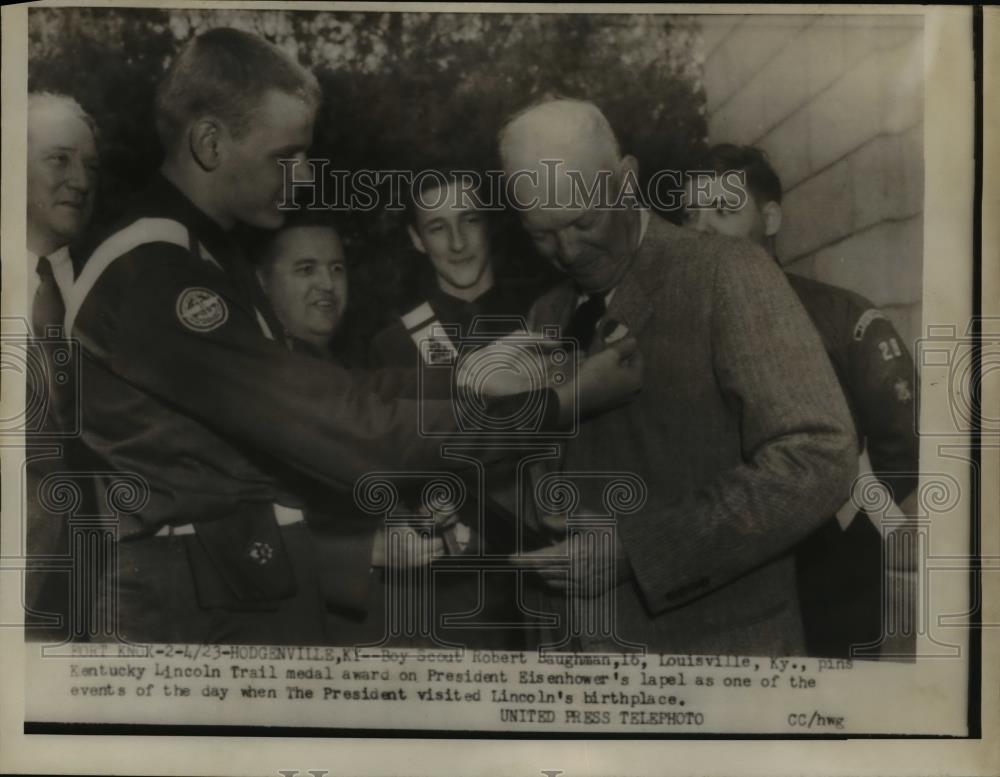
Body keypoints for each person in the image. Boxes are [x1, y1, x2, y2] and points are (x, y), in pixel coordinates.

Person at [66, 30, 641, 645]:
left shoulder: (202, 253)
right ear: (210, 142)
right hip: (187, 607)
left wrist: (471, 376)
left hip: (227, 587)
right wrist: (559, 404)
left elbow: (337, 386)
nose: (304, 173)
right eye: (285, 155)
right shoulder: (157, 269)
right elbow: (351, 426)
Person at [500, 98, 857, 655]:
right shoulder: (545, 313)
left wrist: (639, 550)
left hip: (710, 668)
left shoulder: (727, 272)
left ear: (626, 178)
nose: (567, 251)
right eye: (541, 233)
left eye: (584, 221)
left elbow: (820, 454)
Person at [682, 143, 919, 657]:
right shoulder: (666, 338)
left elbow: (903, 444)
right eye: (691, 213)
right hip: (717, 581)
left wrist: (845, 524)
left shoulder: (844, 318)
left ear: (769, 217)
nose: (701, 228)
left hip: (829, 578)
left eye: (723, 210)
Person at [370, 172, 534, 649]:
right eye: (438, 227)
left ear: (491, 225)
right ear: (417, 240)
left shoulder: (545, 314)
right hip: (461, 589)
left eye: (470, 219)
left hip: (558, 563)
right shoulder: (397, 343)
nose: (458, 242)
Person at [24, 92, 100, 640]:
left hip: (106, 593)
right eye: (60, 159)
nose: (80, 179)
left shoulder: (115, 287)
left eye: (90, 165)